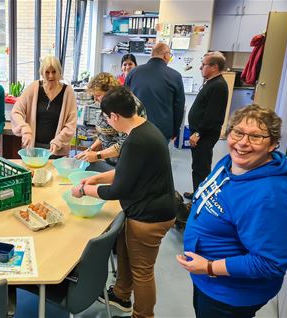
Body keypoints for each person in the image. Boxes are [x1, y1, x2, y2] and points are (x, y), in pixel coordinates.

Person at [177, 104, 287, 318]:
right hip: (207, 279)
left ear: (273, 144)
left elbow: (270, 263)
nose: (243, 143)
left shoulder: (271, 195)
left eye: (256, 137)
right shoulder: (229, 163)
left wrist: (209, 267)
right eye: (238, 132)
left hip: (230, 294)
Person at [71, 86, 176, 317]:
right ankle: (121, 295)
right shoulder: (143, 130)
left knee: (142, 271)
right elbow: (126, 173)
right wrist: (96, 177)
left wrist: (84, 190)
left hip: (151, 216)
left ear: (115, 116)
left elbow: (118, 189)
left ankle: (143, 315)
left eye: (108, 118)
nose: (108, 122)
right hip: (145, 208)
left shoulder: (137, 141)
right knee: (126, 253)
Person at [75, 72, 147, 172]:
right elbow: (105, 134)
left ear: (109, 91)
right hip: (110, 161)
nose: (95, 100)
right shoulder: (107, 103)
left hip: (126, 163)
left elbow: (125, 143)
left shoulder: (128, 105)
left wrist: (97, 155)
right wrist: (89, 150)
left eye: (98, 95)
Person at [10, 55, 77, 157]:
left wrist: (58, 141)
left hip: (56, 150)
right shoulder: (34, 87)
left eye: (54, 72)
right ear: (42, 73)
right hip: (33, 149)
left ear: (59, 72)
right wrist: (24, 128)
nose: (50, 76)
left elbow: (71, 124)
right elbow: (16, 112)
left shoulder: (68, 92)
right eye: (47, 72)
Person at [184, 52, 229, 200]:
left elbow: (212, 116)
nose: (200, 67)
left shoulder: (218, 86)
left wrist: (197, 134)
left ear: (214, 67)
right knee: (197, 166)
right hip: (200, 133)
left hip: (204, 135)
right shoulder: (212, 82)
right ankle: (198, 191)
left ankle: (200, 198)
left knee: (201, 168)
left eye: (203, 65)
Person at [125, 42, 185, 143]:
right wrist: (175, 131)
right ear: (166, 55)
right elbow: (179, 107)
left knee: (136, 157)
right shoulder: (175, 76)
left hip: (135, 127)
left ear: (151, 54)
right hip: (161, 130)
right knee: (157, 158)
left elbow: (124, 99)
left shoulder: (133, 73)